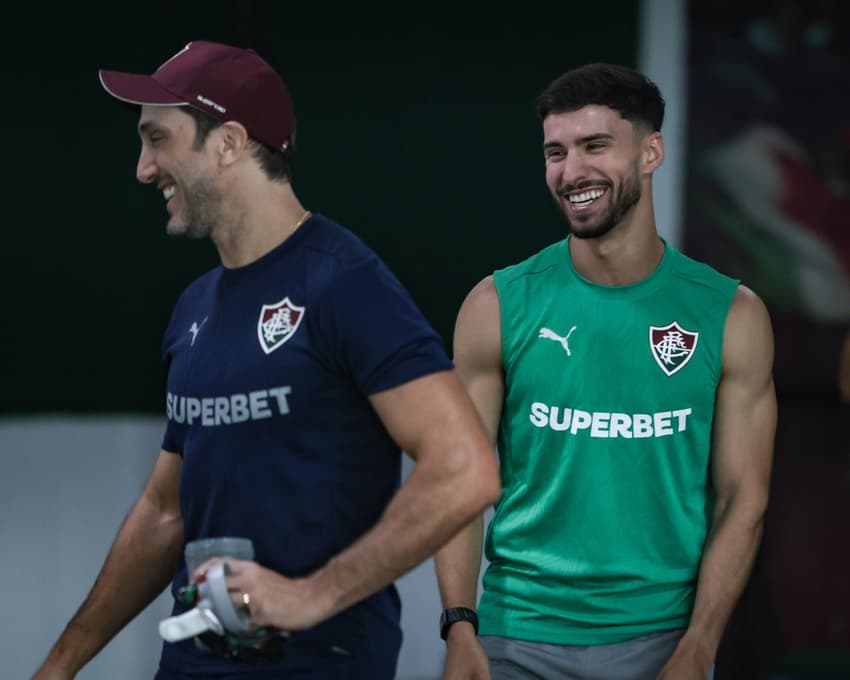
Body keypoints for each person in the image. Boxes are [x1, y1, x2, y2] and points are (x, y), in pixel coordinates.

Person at [32, 40, 500, 680]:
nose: (144, 168)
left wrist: (311, 596)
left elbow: (465, 469)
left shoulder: (343, 283)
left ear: (227, 142)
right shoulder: (194, 307)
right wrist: (60, 665)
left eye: (157, 139)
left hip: (318, 664)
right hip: (191, 661)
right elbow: (165, 511)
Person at [434, 63, 777, 680]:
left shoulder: (732, 315)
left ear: (650, 153)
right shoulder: (495, 305)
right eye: (556, 152)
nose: (571, 172)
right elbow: (458, 485)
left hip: (665, 643)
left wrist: (700, 646)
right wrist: (459, 626)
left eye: (595, 146)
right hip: (516, 636)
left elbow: (742, 498)